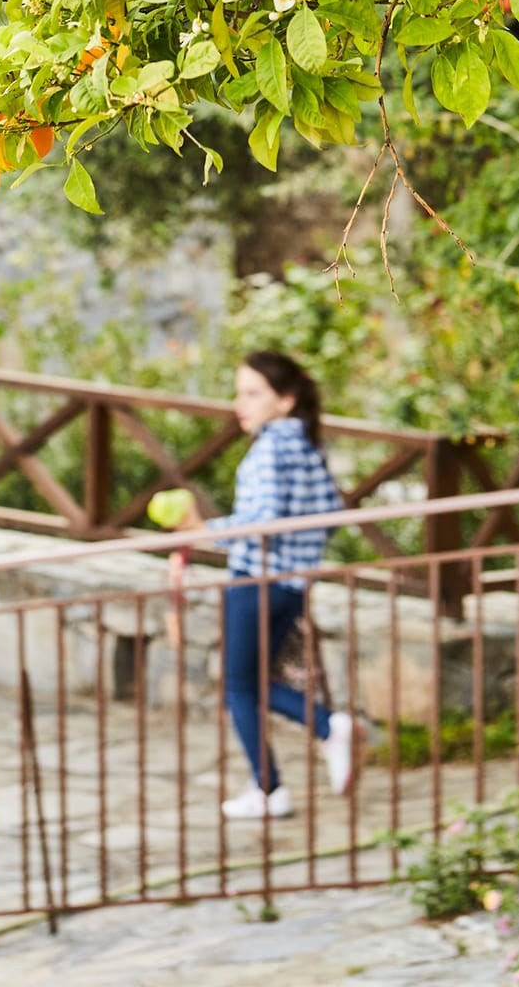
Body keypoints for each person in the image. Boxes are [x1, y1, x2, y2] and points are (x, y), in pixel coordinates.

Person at [179, 349, 356, 821]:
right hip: (290, 582)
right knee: (253, 683)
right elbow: (331, 516)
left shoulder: (272, 447)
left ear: (285, 400)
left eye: (253, 393)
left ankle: (281, 774)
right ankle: (291, 762)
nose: (241, 403)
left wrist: (202, 530)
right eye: (240, 393)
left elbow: (262, 519)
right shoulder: (306, 445)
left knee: (238, 686)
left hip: (255, 579)